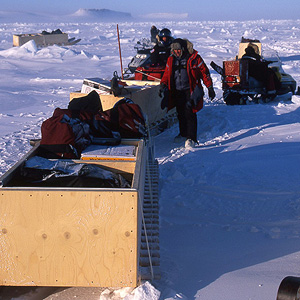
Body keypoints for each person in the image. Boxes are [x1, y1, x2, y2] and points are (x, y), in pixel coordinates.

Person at [159, 38, 215, 148]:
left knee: (189, 112)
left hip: (191, 90)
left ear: (183, 49)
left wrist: (210, 87)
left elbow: (204, 72)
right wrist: (163, 85)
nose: (176, 52)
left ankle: (191, 138)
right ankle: (183, 133)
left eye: (178, 50)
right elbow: (167, 74)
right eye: (174, 50)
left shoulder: (194, 58)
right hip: (177, 91)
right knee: (180, 113)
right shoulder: (171, 60)